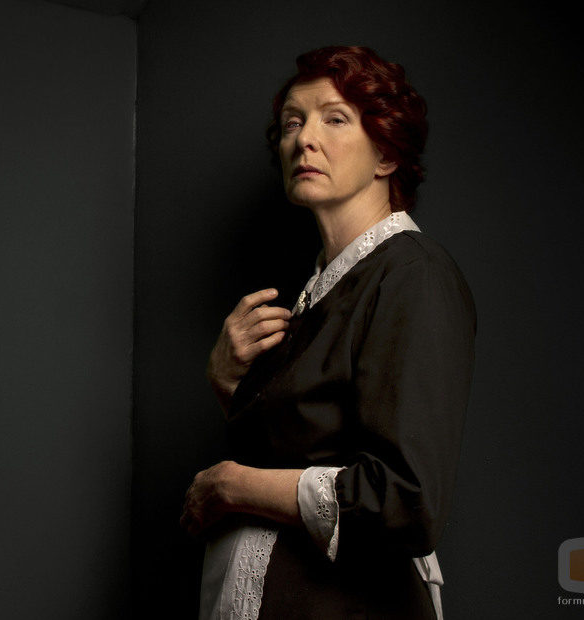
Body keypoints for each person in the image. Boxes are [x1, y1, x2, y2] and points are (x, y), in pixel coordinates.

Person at [180, 46, 476, 619]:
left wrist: (232, 487)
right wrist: (226, 382)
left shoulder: (412, 274)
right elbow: (297, 448)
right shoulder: (322, 288)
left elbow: (405, 501)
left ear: (386, 153)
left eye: (334, 119)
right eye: (292, 123)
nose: (304, 140)